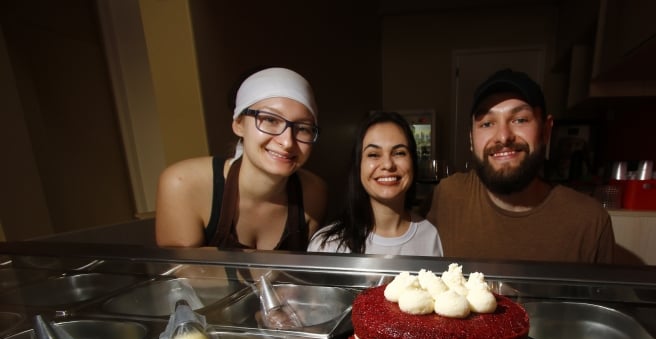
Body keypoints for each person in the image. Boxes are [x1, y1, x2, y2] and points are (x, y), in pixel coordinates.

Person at [427, 69, 615, 263]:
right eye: (487, 123)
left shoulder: (589, 222)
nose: (503, 136)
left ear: (546, 130)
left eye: (520, 120)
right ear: (471, 138)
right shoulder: (447, 195)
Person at [155, 67, 327, 251]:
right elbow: (181, 273)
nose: (287, 142)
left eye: (303, 128)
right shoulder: (183, 184)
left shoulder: (312, 192)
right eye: (270, 120)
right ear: (238, 124)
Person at [307, 111, 442, 256]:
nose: (388, 164)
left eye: (399, 153)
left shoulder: (430, 235)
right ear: (358, 166)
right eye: (373, 154)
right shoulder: (327, 245)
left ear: (413, 162)